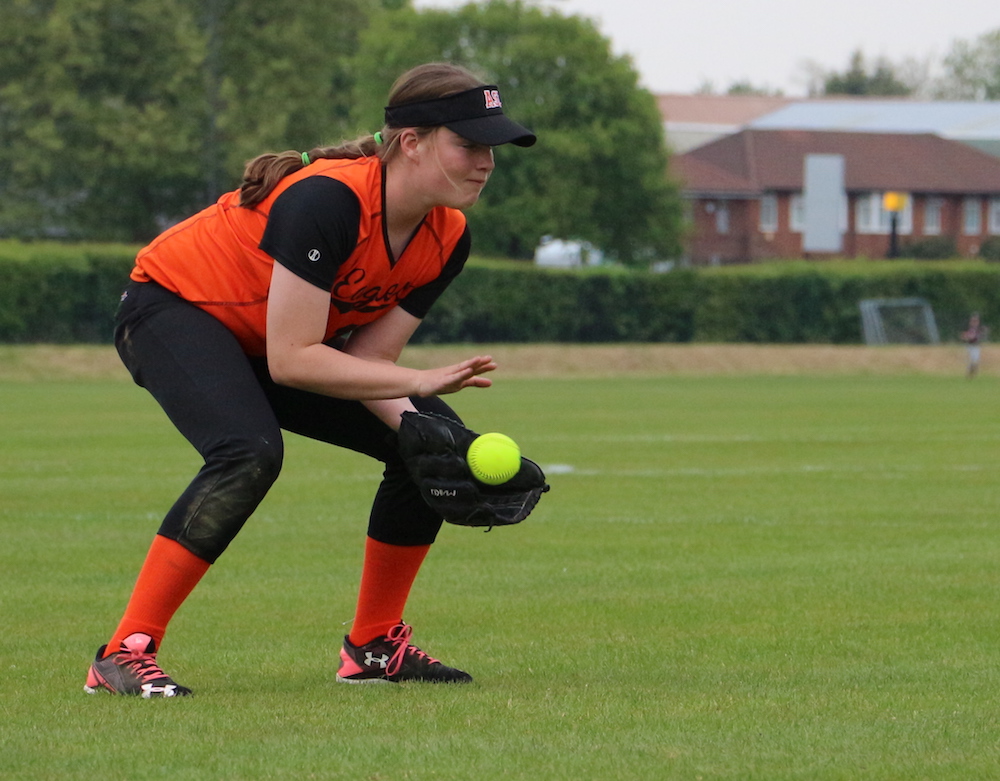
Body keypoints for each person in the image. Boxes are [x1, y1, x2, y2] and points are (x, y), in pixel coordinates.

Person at [84, 62, 536, 696]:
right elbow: (293, 360)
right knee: (248, 452)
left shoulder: (448, 235)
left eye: (491, 147)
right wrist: (424, 382)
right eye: (468, 143)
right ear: (411, 141)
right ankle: (123, 652)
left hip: (275, 344)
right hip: (172, 309)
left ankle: (375, 648)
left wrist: (424, 427)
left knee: (426, 447)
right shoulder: (328, 199)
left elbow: (370, 362)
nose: (486, 161)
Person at [961, 312, 987, 379]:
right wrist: (966, 337)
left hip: (976, 346)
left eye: (976, 321)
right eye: (973, 321)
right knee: (971, 360)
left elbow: (982, 336)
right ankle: (969, 374)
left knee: (975, 360)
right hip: (970, 346)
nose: (974, 323)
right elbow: (963, 335)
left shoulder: (979, 329)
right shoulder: (968, 328)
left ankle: (972, 373)